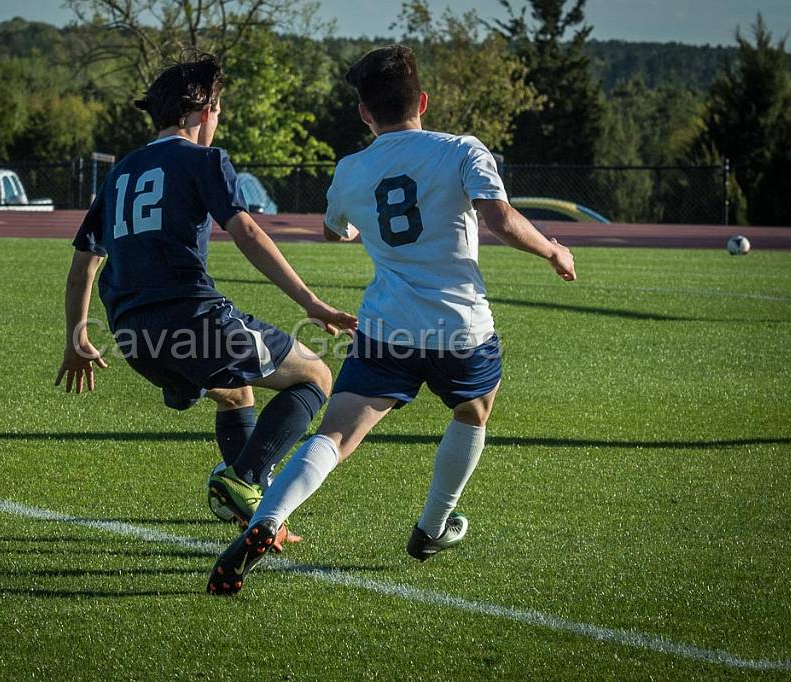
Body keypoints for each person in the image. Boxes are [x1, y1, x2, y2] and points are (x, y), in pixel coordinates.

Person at [208, 45, 576, 595]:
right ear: (422, 101)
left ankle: (268, 520)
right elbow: (498, 217)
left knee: (336, 432)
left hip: (386, 329)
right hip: (460, 328)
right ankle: (432, 528)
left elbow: (336, 229)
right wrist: (553, 251)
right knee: (474, 412)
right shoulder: (461, 150)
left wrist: (353, 229)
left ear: (364, 113)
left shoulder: (351, 169)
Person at [54, 53, 356, 548]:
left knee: (237, 392)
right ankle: (245, 478)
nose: (220, 120)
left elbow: (83, 267)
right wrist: (311, 302)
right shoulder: (203, 159)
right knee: (316, 375)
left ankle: (250, 511)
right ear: (204, 108)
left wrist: (77, 339)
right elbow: (249, 233)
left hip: (133, 336)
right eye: (219, 108)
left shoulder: (120, 173)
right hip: (192, 322)